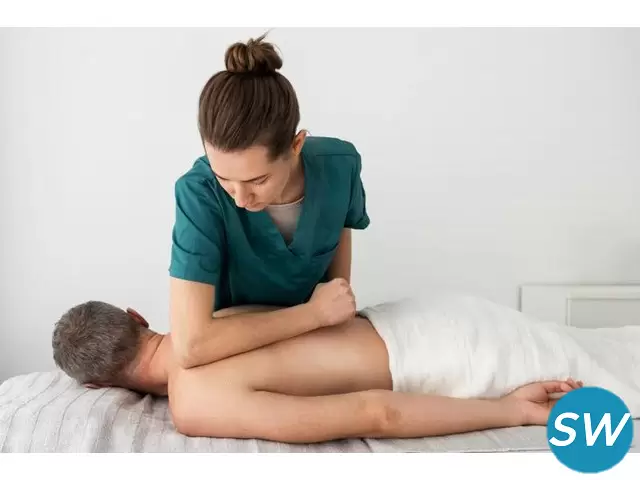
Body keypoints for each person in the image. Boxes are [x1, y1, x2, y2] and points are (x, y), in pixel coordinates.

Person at [51, 294, 585, 444]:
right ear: (136, 316)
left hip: (454, 363)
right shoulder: (214, 316)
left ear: (98, 384)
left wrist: (511, 411)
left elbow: (375, 414)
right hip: (431, 314)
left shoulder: (194, 404)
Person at [168, 33, 369, 370]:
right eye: (224, 178)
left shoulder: (340, 166)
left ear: (296, 145)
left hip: (316, 346)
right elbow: (191, 345)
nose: (240, 199)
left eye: (257, 180)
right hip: (234, 354)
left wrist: (331, 313)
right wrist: (313, 314)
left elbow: (338, 286)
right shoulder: (197, 193)